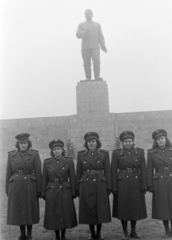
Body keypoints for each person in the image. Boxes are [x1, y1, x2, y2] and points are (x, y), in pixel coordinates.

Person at [111, 131, 147, 240]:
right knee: (124, 208)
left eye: (130, 141)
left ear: (133, 142)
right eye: (125, 141)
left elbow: (144, 170)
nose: (128, 143)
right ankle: (125, 232)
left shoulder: (139, 153)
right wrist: (114, 187)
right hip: (122, 183)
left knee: (134, 208)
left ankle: (133, 231)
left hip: (136, 182)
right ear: (122, 143)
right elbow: (113, 171)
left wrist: (144, 185)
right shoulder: (117, 153)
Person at [5, 133, 42, 240]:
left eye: (25, 143)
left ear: (28, 144)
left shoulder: (34, 154)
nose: (23, 145)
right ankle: (22, 233)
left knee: (29, 208)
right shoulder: (11, 155)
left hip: (30, 184)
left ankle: (29, 233)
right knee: (19, 208)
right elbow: (8, 173)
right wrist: (7, 188)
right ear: (18, 144)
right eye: (21, 143)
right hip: (15, 185)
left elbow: (38, 172)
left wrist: (39, 189)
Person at [76, 132, 111, 240]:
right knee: (89, 208)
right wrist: (77, 188)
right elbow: (78, 172)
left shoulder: (104, 154)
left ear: (97, 142)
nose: (91, 144)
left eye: (93, 141)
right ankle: (92, 233)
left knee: (99, 209)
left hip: (100, 183)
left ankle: (99, 233)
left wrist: (109, 186)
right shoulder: (81, 155)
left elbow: (108, 171)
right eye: (89, 142)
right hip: (86, 183)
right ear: (86, 143)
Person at [42, 139, 77, 240]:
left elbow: (72, 178)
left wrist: (73, 191)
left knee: (64, 212)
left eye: (58, 149)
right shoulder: (47, 162)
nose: (56, 151)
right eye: (54, 149)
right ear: (52, 151)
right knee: (54, 213)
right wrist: (44, 193)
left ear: (62, 150)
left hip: (65, 189)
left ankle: (63, 234)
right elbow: (44, 178)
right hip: (52, 190)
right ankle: (57, 235)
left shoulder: (69, 161)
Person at [147, 129, 172, 238]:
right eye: (158, 139)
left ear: (166, 139)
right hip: (160, 183)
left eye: (162, 139)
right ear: (155, 141)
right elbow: (149, 170)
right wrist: (150, 185)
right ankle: (167, 230)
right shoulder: (152, 153)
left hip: (171, 180)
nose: (160, 141)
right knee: (163, 207)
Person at [76, 9, 107, 80]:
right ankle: (88, 77)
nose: (88, 15)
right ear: (84, 15)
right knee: (86, 63)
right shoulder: (81, 25)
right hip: (85, 47)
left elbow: (100, 36)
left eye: (89, 13)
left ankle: (97, 76)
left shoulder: (97, 25)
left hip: (95, 46)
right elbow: (77, 34)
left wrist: (103, 45)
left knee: (96, 61)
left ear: (92, 15)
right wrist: (84, 32)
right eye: (86, 14)